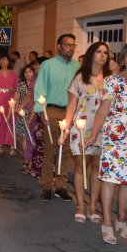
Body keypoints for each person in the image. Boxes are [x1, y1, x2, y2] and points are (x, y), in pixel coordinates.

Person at [87, 42, 127, 244]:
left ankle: (121, 220)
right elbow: (103, 110)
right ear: (123, 59)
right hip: (115, 136)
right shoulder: (111, 81)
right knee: (110, 180)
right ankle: (107, 222)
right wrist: (93, 134)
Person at [61, 42, 111, 223]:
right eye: (99, 52)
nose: (102, 55)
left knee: (97, 168)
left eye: (105, 52)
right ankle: (81, 204)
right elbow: (72, 105)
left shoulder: (110, 79)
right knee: (81, 166)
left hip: (103, 129)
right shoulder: (80, 77)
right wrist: (65, 128)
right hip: (81, 128)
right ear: (91, 54)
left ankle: (92, 205)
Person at [34, 33, 80, 202]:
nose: (71, 48)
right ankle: (46, 185)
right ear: (59, 46)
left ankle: (61, 186)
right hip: (52, 110)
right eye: (67, 45)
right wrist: (41, 112)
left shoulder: (77, 66)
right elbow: (39, 88)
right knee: (50, 149)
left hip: (70, 112)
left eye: (73, 45)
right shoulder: (48, 65)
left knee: (65, 150)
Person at [13, 65, 36, 173]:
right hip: (22, 113)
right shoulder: (21, 84)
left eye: (30, 71)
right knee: (25, 138)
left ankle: (31, 162)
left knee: (32, 138)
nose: (28, 74)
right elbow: (16, 97)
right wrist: (13, 108)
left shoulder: (37, 84)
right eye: (26, 72)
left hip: (34, 112)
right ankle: (27, 159)